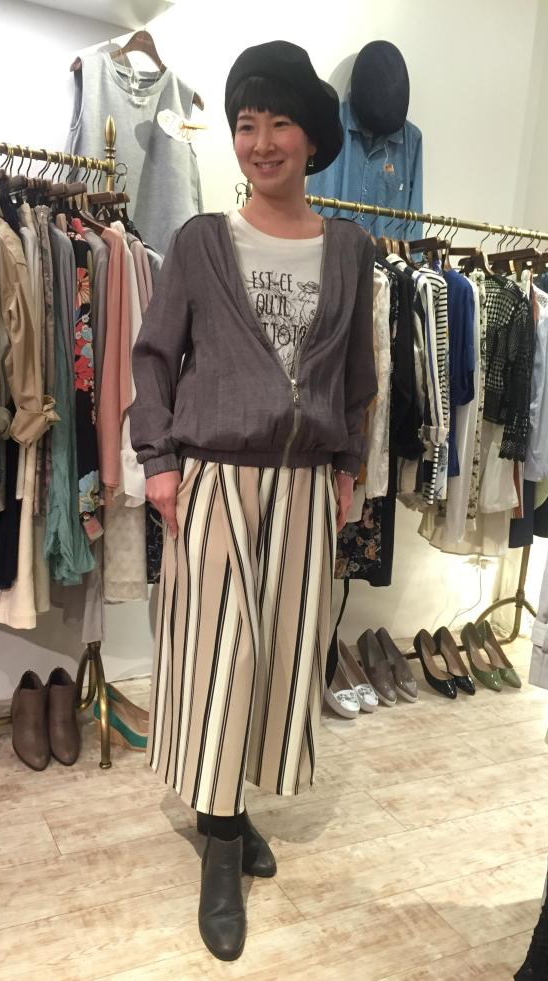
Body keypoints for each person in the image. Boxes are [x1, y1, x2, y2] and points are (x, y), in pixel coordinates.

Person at [130, 39, 377, 962]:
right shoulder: (202, 242)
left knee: (275, 659)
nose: (261, 142)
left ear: (310, 137)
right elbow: (154, 358)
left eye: (279, 123)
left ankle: (228, 808)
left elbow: (358, 376)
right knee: (218, 660)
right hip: (217, 480)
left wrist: (349, 462)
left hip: (307, 486)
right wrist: (157, 459)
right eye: (245, 123)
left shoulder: (350, 249)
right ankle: (222, 848)